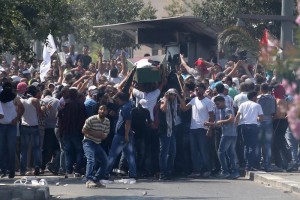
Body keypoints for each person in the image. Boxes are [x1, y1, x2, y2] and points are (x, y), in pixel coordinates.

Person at [101, 92, 137, 184]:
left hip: (121, 135)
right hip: (124, 135)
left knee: (112, 155)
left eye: (116, 98)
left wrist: (125, 135)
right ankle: (133, 174)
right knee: (129, 155)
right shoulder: (124, 107)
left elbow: (127, 122)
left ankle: (105, 174)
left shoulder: (125, 108)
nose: (115, 100)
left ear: (120, 98)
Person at [182, 82, 214, 178]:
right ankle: (196, 171)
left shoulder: (208, 101)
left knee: (203, 150)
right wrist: (182, 97)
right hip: (193, 128)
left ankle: (207, 170)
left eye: (199, 89)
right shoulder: (193, 100)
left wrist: (209, 129)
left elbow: (211, 116)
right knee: (194, 151)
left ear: (204, 90)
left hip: (203, 129)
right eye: (196, 89)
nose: (197, 91)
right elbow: (184, 109)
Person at [205, 96, 240, 179]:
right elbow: (221, 123)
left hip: (228, 134)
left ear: (223, 102)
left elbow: (231, 119)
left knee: (220, 152)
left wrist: (222, 121)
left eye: (218, 104)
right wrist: (211, 124)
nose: (217, 106)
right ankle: (234, 171)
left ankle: (225, 171)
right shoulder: (222, 110)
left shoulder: (227, 109)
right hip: (231, 134)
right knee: (230, 153)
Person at [57, 88, 87, 177]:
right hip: (77, 131)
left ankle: (68, 170)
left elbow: (59, 117)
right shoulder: (80, 104)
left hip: (66, 131)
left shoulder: (64, 104)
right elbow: (84, 118)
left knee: (68, 151)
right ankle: (77, 169)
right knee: (79, 150)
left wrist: (60, 129)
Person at [158, 88, 185, 180]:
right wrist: (165, 98)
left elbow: (183, 106)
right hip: (164, 130)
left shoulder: (174, 103)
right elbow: (163, 109)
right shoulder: (162, 101)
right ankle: (163, 172)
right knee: (164, 152)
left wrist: (178, 95)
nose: (173, 96)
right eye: (171, 94)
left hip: (172, 130)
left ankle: (169, 171)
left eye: (174, 95)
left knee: (173, 152)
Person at [82, 105, 110, 188]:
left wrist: (100, 135)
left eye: (104, 110)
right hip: (88, 142)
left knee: (105, 161)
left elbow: (105, 135)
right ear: (98, 110)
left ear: (106, 112)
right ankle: (89, 180)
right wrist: (96, 134)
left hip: (97, 143)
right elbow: (84, 130)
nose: (102, 111)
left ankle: (96, 179)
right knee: (91, 159)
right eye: (101, 109)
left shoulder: (107, 121)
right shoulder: (91, 119)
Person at [0, 82, 24, 178]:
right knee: (2, 149)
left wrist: (17, 119)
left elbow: (22, 108)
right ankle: (3, 169)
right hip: (1, 126)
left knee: (11, 148)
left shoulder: (15, 98)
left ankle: (11, 170)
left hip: (11, 126)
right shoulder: (3, 97)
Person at [235, 91, 263, 171]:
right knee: (252, 146)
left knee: (246, 146)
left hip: (244, 126)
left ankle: (246, 163)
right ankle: (249, 165)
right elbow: (261, 118)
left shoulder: (243, 105)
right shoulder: (257, 105)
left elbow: (237, 115)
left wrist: (236, 124)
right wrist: (258, 118)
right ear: (254, 97)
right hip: (253, 126)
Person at [20, 85, 44, 176]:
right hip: (34, 126)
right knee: (36, 148)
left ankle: (22, 170)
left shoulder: (21, 100)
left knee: (24, 149)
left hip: (24, 126)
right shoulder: (35, 100)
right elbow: (41, 114)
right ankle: (37, 167)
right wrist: (44, 109)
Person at [257, 83, 276, 171]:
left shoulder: (258, 98)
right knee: (267, 144)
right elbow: (273, 112)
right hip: (269, 120)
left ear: (261, 89)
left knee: (258, 143)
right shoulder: (272, 98)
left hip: (259, 121)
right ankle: (267, 164)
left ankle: (257, 163)